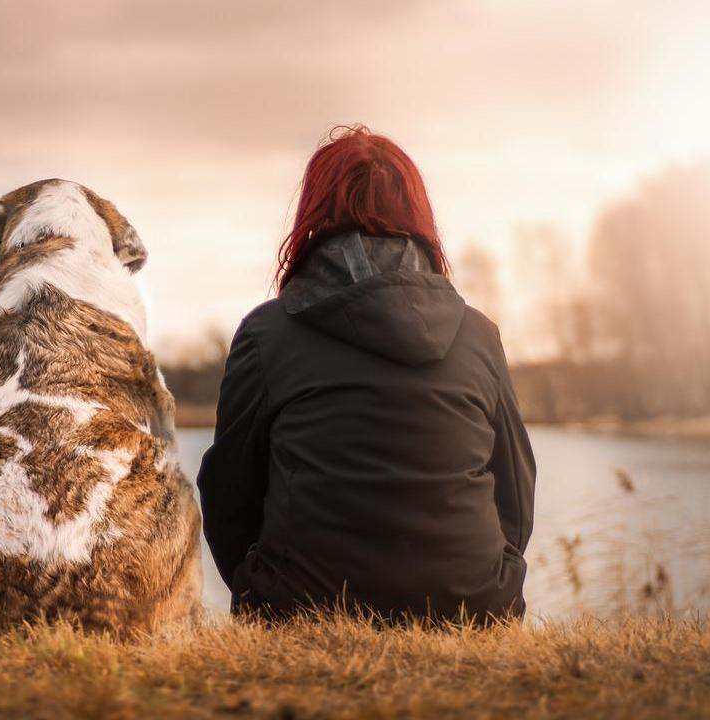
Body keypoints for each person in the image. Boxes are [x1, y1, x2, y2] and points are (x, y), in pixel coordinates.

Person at [196, 125, 536, 624]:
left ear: (313, 214)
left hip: (302, 608)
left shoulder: (267, 334)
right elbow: (516, 491)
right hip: (472, 609)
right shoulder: (478, 335)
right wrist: (490, 579)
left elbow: (228, 493)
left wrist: (259, 588)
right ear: (418, 215)